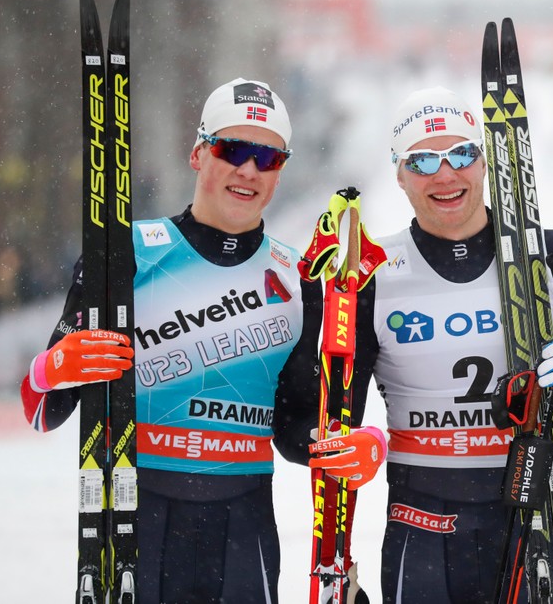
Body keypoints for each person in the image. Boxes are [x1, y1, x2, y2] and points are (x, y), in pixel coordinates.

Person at [20, 78, 338, 603]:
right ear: (197, 153)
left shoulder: (299, 279)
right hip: (134, 517)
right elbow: (43, 412)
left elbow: (293, 427)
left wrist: (341, 444)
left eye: (268, 157)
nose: (248, 170)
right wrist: (50, 369)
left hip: (246, 529)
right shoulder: (127, 253)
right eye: (231, 149)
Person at [331, 86, 553, 603]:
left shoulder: (552, 255)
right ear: (399, 173)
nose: (445, 174)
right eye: (423, 159)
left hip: (535, 517)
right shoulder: (373, 270)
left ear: (486, 162)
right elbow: (327, 415)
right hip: (421, 525)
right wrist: (362, 441)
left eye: (462, 154)